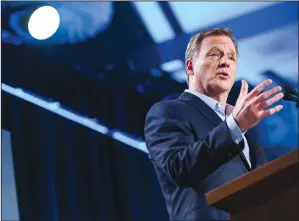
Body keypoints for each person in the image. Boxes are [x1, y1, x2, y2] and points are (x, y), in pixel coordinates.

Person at [144, 28, 284, 221]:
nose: (225, 62)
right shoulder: (168, 112)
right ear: (190, 67)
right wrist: (235, 126)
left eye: (232, 57)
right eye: (214, 54)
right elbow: (179, 168)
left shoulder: (242, 127)